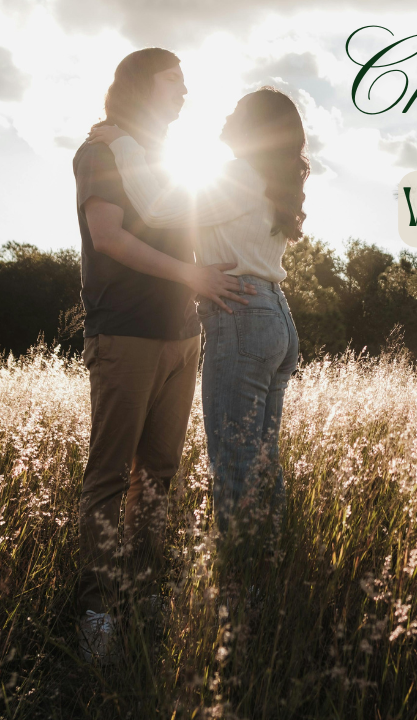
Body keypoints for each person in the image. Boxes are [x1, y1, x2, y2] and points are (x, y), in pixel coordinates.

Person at [72, 48, 257, 665]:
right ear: (140, 86)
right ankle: (99, 610)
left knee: (159, 474)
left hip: (184, 333)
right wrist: (192, 275)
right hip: (125, 330)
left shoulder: (169, 161)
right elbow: (109, 237)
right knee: (108, 475)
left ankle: (144, 594)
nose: (185, 91)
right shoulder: (100, 151)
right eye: (174, 80)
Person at [87, 87, 307, 601]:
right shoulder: (269, 180)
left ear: (253, 127)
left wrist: (120, 144)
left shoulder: (237, 175)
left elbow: (157, 207)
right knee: (262, 461)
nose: (224, 113)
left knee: (233, 463)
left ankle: (241, 594)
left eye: (235, 110)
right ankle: (269, 578)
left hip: (241, 318)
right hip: (276, 317)